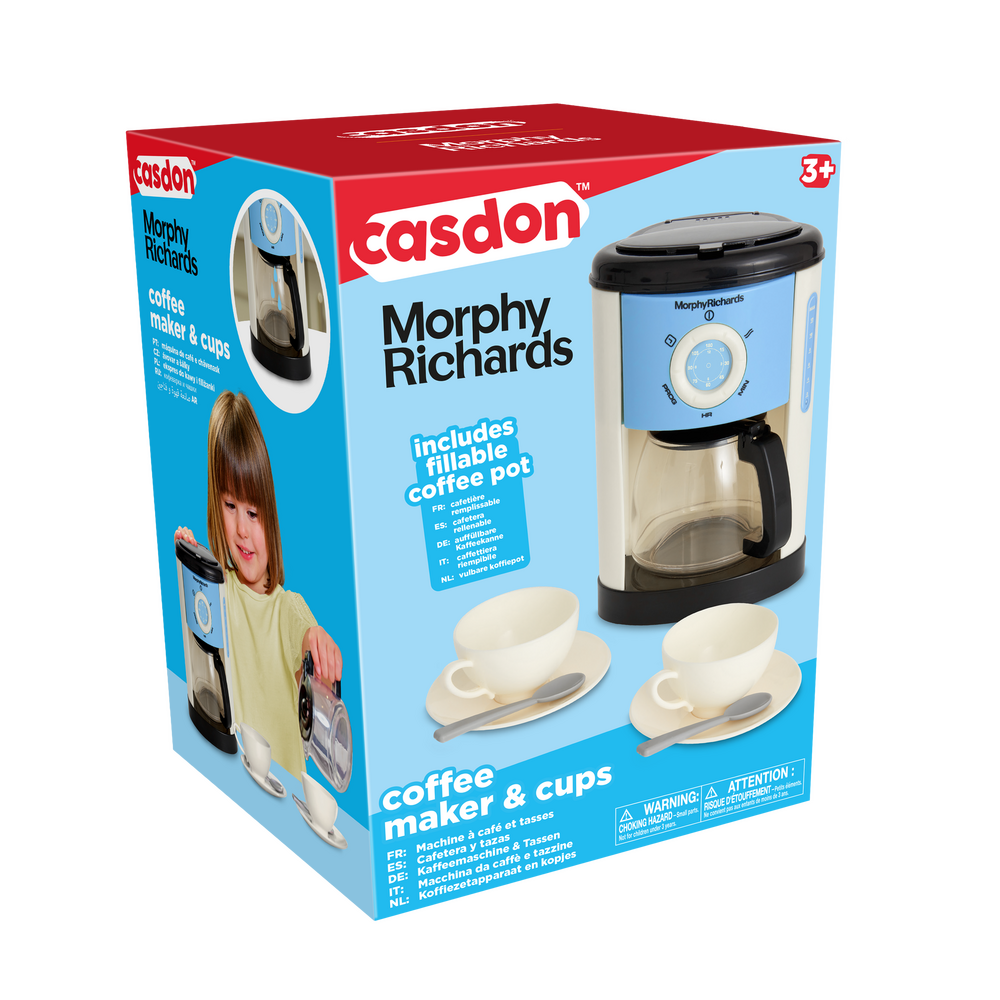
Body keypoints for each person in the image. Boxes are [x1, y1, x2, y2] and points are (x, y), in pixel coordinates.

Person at [176, 390, 341, 777]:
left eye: (253, 512)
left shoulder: (287, 608)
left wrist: (317, 643)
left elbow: (305, 638)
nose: (241, 530)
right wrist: (193, 569)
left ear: (270, 514)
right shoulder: (219, 593)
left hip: (283, 797)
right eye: (230, 506)